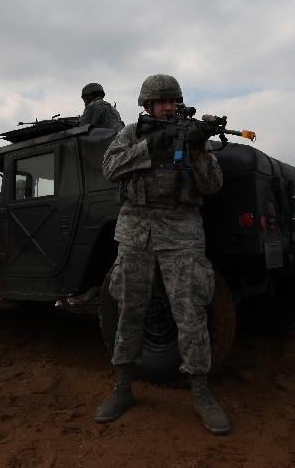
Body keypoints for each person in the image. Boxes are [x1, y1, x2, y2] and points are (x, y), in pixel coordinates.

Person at [95, 74, 230, 434]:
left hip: (181, 230)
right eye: (161, 101)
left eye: (173, 101)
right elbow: (110, 168)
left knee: (190, 312)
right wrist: (152, 145)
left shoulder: (190, 133)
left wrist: (198, 149)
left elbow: (213, 185)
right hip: (136, 229)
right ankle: (123, 387)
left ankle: (201, 394)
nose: (168, 106)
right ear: (148, 105)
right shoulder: (131, 134)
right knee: (129, 309)